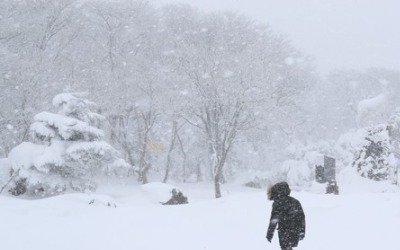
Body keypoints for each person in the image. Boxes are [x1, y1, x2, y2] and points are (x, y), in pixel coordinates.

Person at [266, 182, 305, 250]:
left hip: (284, 231)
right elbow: (301, 217)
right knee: (288, 247)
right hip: (295, 230)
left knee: (285, 247)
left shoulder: (278, 203)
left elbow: (274, 220)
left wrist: (270, 233)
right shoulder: (295, 201)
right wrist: (302, 231)